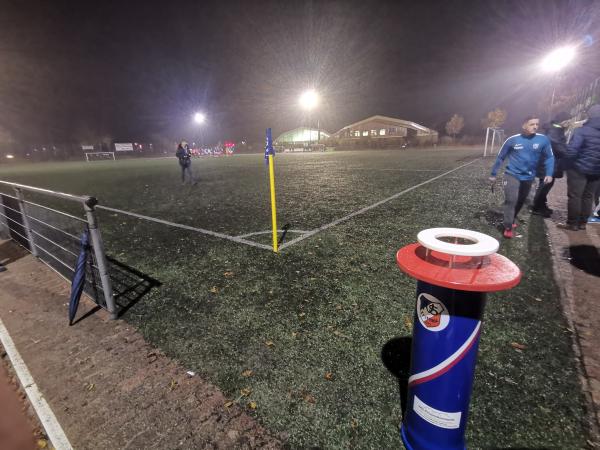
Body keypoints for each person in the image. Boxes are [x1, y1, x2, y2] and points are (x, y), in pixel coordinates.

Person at [489, 115, 554, 239]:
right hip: (512, 175)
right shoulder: (512, 140)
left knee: (520, 201)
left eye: (536, 124)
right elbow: (501, 157)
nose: (535, 126)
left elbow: (550, 157)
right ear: (524, 125)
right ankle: (508, 227)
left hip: (529, 177)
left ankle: (512, 218)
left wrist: (549, 173)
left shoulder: (543, 140)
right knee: (511, 200)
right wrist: (493, 174)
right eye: (531, 124)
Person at [559, 104, 600, 231]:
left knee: (575, 196)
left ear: (590, 115)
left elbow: (572, 151)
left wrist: (564, 159)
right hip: (596, 171)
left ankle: (572, 224)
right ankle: (582, 223)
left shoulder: (581, 131)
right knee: (588, 197)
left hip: (579, 169)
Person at [532, 111, 571, 216]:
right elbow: (559, 148)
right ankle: (536, 207)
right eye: (568, 121)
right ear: (562, 121)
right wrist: (569, 151)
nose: (569, 123)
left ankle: (541, 205)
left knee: (546, 185)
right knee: (545, 185)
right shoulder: (554, 131)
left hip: (549, 163)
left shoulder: (557, 129)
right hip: (548, 164)